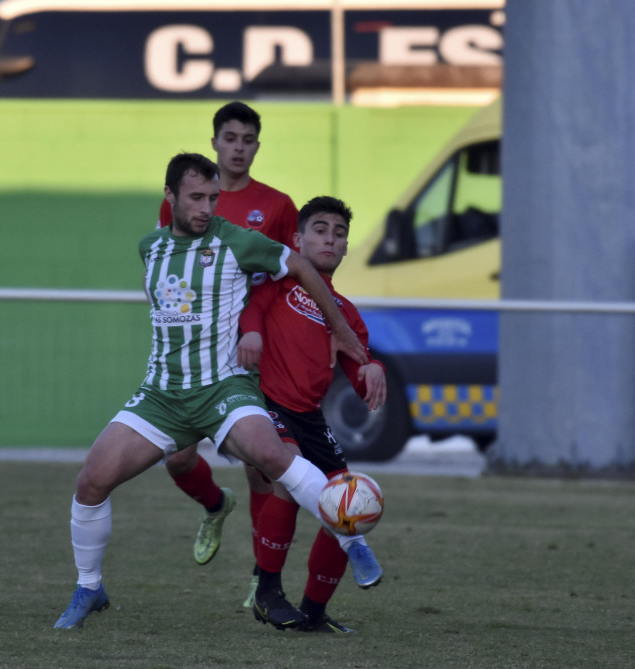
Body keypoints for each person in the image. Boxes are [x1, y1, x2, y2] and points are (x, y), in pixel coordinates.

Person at [53, 152, 382, 631]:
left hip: (224, 388)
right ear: (170, 198)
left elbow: (302, 271)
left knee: (273, 458)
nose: (207, 208)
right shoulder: (150, 248)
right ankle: (89, 587)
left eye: (213, 197)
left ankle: (353, 541)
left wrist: (345, 336)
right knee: (90, 482)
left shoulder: (237, 242)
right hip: (162, 395)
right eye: (197, 198)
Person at [156, 101, 298, 574]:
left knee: (260, 465)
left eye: (248, 140)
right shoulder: (184, 199)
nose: (239, 148)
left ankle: (264, 580)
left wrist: (255, 328)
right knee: (176, 458)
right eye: (230, 138)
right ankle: (215, 505)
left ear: (258, 145)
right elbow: (170, 269)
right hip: (195, 350)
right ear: (214, 140)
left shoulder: (277, 206)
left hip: (252, 350)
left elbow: (284, 279)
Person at [238, 195, 387, 634]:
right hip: (266, 403)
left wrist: (371, 368)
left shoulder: (345, 312)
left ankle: (314, 614)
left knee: (349, 505)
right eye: (320, 230)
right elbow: (253, 310)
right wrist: (250, 332)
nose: (330, 239)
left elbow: (359, 372)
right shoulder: (277, 284)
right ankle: (267, 592)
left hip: (310, 416)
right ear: (298, 239)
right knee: (291, 480)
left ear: (345, 249)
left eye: (339, 234)